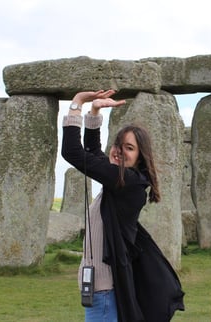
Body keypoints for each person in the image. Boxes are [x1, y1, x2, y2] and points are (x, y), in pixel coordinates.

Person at [61, 90, 185, 322]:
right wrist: (95, 112)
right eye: (118, 144)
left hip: (104, 292)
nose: (119, 150)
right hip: (102, 289)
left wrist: (77, 103)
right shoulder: (119, 183)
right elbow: (93, 155)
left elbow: (72, 152)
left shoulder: (128, 182)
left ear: (140, 157)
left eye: (129, 148)